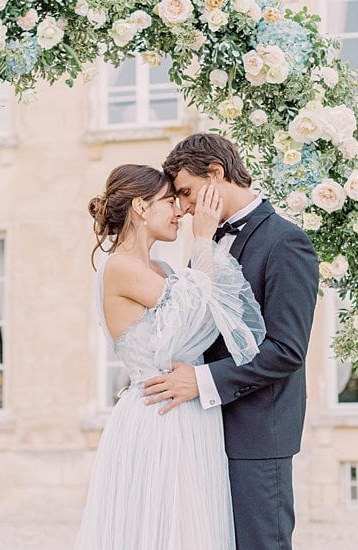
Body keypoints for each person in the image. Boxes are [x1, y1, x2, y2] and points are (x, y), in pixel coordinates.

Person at [142, 133, 319, 550]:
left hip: (258, 434)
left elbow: (287, 350)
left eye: (185, 192)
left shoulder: (286, 242)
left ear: (216, 174)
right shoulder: (204, 242)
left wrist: (201, 381)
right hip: (202, 431)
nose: (183, 208)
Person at [75, 163, 266, 550]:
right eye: (169, 201)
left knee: (193, 529)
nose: (180, 211)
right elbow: (198, 308)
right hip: (157, 414)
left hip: (189, 410)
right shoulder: (119, 268)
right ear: (141, 208)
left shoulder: (160, 268)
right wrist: (203, 238)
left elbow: (202, 310)